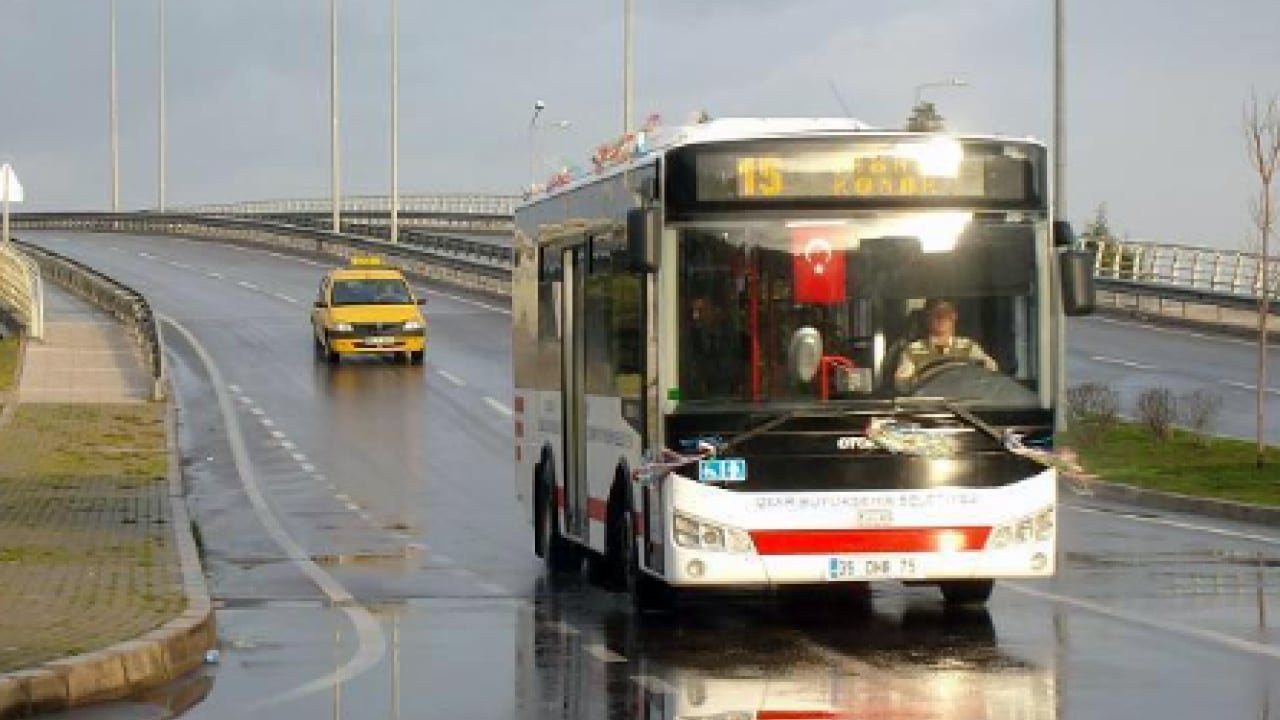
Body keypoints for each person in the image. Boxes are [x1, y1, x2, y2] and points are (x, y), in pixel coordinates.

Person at [894, 300, 997, 391]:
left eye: (946, 313)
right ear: (927, 318)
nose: (941, 318)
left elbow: (991, 373)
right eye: (935, 313)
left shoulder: (968, 347)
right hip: (927, 405)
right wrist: (919, 379)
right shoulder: (913, 350)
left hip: (966, 404)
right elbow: (902, 384)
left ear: (954, 316)